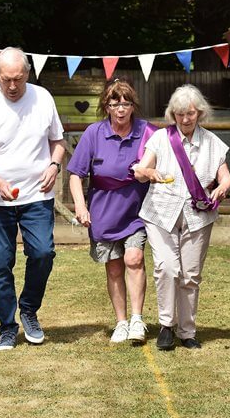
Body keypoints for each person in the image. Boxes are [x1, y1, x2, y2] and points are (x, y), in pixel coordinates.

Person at [0, 47, 66, 351]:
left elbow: (58, 142)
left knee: (43, 253)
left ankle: (29, 310)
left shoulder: (43, 98)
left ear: (27, 74)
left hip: (37, 195)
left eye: (18, 79)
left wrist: (54, 165)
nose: (12, 86)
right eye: (6, 79)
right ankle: (7, 327)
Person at [134, 84, 230, 350]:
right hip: (160, 213)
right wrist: (149, 173)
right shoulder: (160, 138)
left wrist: (223, 187)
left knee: (190, 274)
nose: (185, 119)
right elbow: (140, 170)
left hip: (198, 216)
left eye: (190, 113)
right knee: (167, 267)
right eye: (180, 114)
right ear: (172, 114)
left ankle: (187, 331)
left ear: (199, 112)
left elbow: (225, 177)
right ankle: (166, 325)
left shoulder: (212, 143)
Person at [67, 77, 156, 344]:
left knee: (134, 259)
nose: (120, 109)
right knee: (114, 268)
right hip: (104, 213)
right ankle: (121, 322)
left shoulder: (147, 132)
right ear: (106, 107)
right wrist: (80, 206)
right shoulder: (93, 133)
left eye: (126, 104)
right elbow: (75, 174)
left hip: (137, 213)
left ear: (133, 106)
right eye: (114, 104)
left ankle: (137, 319)